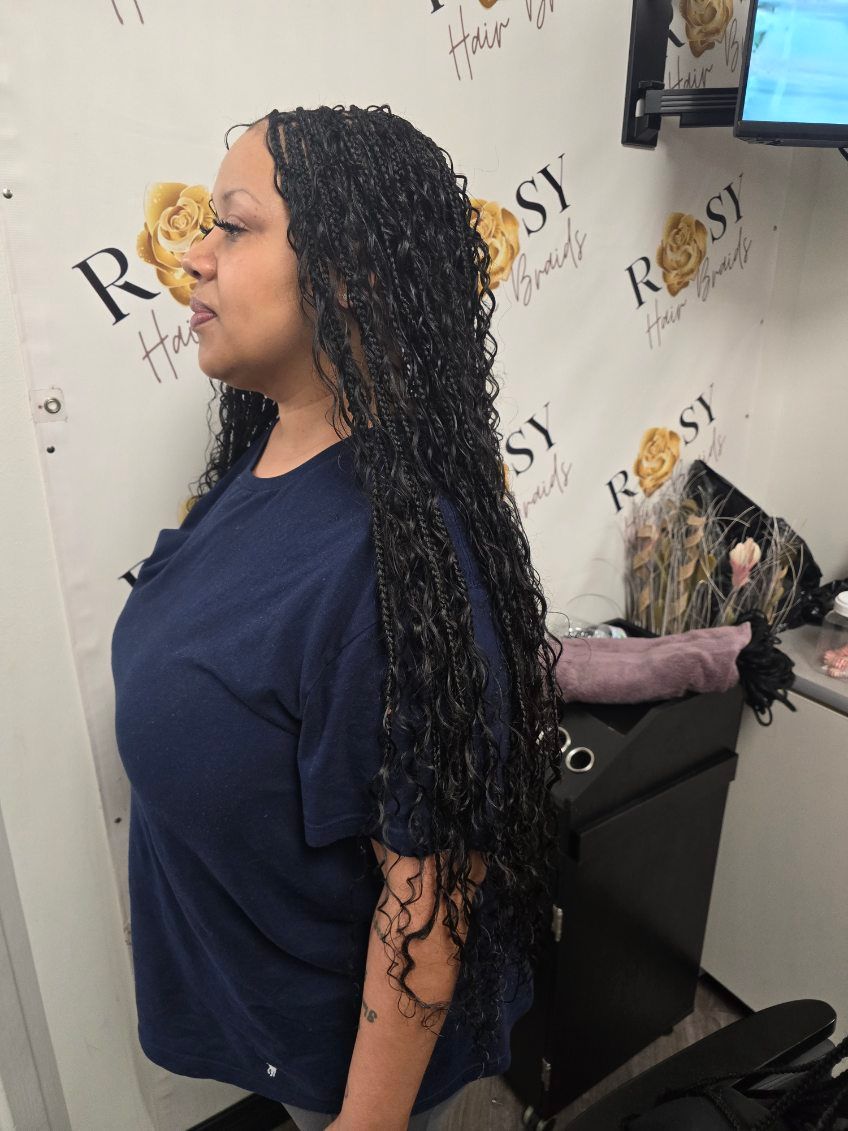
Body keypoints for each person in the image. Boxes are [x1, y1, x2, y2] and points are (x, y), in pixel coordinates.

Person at [111, 104, 565, 1131]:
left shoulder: (387, 568)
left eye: (234, 226)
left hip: (353, 1091)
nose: (192, 255)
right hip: (277, 1046)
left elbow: (427, 918)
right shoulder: (267, 456)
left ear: (348, 272)